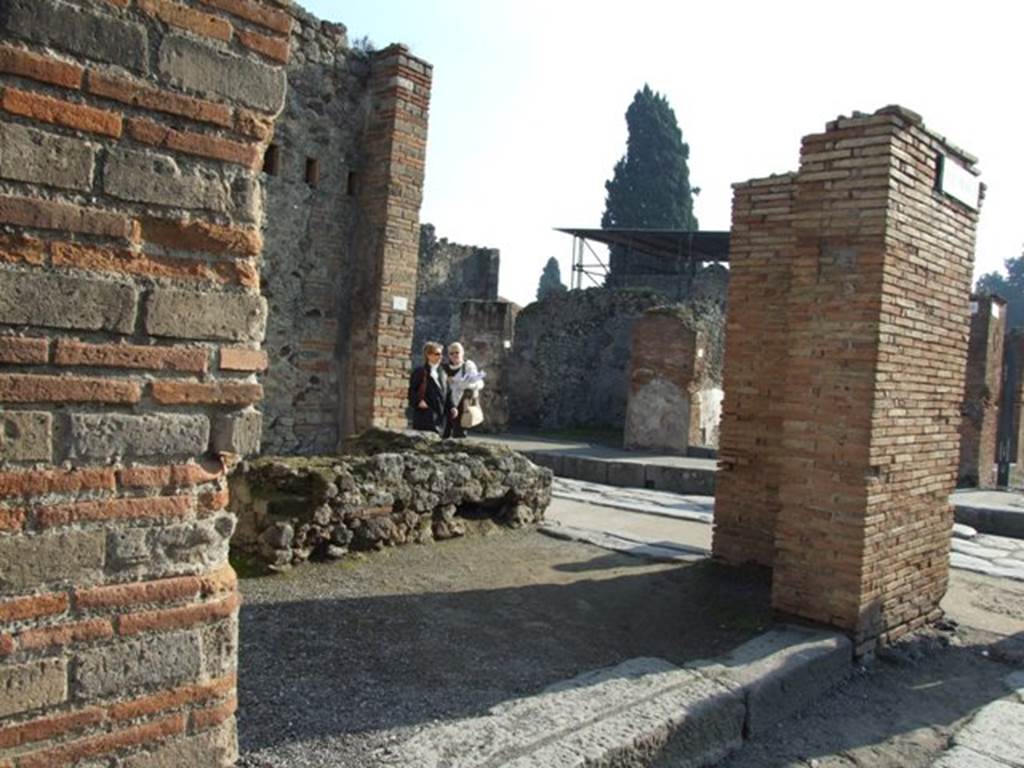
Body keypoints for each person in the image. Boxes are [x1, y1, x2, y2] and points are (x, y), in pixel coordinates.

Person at [408, 341, 452, 435]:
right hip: (425, 415)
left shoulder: (442, 373)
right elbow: (411, 391)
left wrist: (452, 407)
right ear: (428, 355)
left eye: (441, 354)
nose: (440, 356)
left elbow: (447, 392)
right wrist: (419, 401)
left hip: (440, 416)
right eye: (437, 354)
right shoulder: (420, 372)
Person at [443, 341, 485, 438]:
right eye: (451, 353)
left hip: (463, 402)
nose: (454, 355)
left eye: (457, 352)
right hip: (448, 402)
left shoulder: (468, 366)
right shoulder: (444, 368)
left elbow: (479, 383)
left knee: (459, 431)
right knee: (446, 431)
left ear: (462, 353)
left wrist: (463, 384)